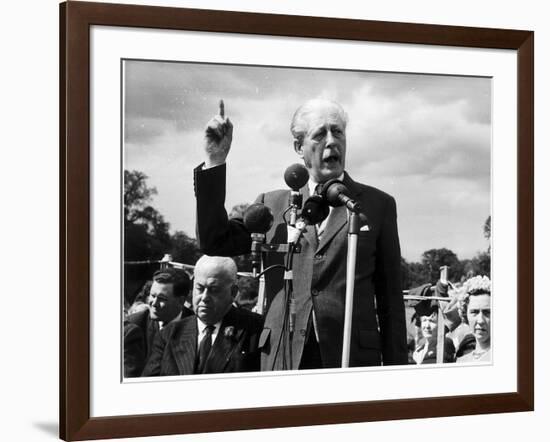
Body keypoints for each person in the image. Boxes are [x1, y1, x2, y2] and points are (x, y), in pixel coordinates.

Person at [193, 98, 408, 370]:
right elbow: (214, 241)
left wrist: (396, 371)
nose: (332, 141)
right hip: (283, 356)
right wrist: (215, 160)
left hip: (351, 359)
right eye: (320, 134)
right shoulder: (272, 205)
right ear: (299, 147)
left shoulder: (377, 205)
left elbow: (391, 302)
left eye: (338, 132)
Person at [142, 256, 263, 376]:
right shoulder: (169, 335)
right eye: (199, 289)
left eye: (214, 290)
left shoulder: (255, 330)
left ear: (233, 292)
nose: (204, 297)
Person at [123, 267, 194, 377]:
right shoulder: (134, 325)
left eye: (162, 298)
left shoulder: (197, 326)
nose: (154, 303)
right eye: (152, 295)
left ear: (181, 301)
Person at [457, 275, 491, 362]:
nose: (480, 320)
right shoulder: (461, 361)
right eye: (474, 312)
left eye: (487, 312)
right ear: (465, 314)